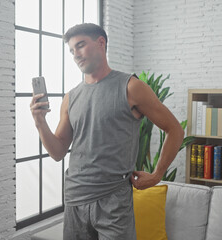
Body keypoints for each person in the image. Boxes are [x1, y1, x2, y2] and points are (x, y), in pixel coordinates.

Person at [30, 23, 184, 240]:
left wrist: (157, 174)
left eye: (80, 46)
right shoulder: (71, 97)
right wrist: (39, 122)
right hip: (75, 200)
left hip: (114, 201)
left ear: (101, 43)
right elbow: (57, 152)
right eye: (72, 50)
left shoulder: (131, 87)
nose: (76, 55)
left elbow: (175, 130)